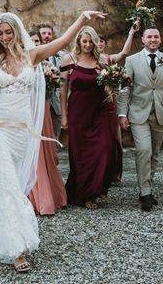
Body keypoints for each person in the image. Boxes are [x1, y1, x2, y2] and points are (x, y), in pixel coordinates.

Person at [0, 10, 105, 273]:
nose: (5, 37)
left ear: (17, 32)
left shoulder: (32, 56)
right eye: (0, 34)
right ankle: (17, 249)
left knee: (8, 182)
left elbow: (63, 41)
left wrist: (80, 17)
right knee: (8, 180)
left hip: (21, 130)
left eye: (8, 32)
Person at [117, 27, 163, 212]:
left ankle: (147, 187)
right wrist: (122, 114)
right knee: (144, 150)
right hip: (138, 113)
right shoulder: (131, 61)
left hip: (161, 113)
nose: (153, 39)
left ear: (160, 39)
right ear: (143, 40)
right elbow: (125, 89)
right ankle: (145, 192)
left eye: (156, 36)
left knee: (154, 154)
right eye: (149, 36)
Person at [60, 26, 117, 209]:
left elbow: (110, 85)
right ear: (78, 41)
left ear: (94, 42)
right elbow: (63, 89)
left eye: (90, 41)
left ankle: (96, 188)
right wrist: (64, 115)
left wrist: (114, 87)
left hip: (99, 110)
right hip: (77, 111)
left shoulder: (102, 60)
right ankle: (85, 195)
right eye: (83, 41)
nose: (87, 44)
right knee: (80, 155)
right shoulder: (69, 60)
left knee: (105, 148)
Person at [27, 27, 67, 216]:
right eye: (32, 40)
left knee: (48, 153)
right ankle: (32, 194)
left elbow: (57, 86)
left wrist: (50, 78)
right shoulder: (23, 62)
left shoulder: (47, 64)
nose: (35, 44)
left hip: (44, 111)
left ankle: (50, 191)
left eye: (37, 41)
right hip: (27, 111)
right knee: (31, 152)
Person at [97, 22, 139, 184]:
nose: (99, 44)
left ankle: (115, 173)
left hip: (110, 101)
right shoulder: (85, 59)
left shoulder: (108, 59)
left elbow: (125, 52)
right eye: (97, 41)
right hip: (93, 102)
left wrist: (131, 32)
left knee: (115, 138)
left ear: (105, 44)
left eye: (102, 41)